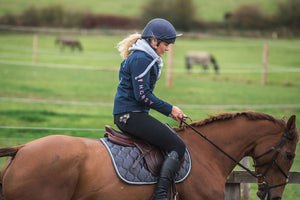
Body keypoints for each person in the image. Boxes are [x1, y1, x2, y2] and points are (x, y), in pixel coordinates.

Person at [113, 18, 187, 200]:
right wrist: (171, 110)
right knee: (177, 145)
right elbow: (143, 96)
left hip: (133, 114)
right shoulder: (142, 59)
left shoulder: (145, 57)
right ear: (154, 41)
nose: (168, 48)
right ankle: (160, 195)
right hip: (130, 116)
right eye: (166, 44)